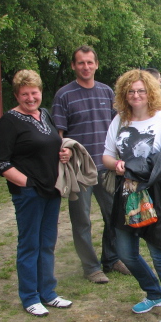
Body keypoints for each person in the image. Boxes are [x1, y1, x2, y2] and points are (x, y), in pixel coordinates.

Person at [102, 69, 161, 322]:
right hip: (127, 193)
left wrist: (144, 166)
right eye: (131, 91)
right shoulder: (120, 120)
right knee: (126, 252)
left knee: (160, 256)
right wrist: (117, 164)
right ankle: (153, 292)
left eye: (141, 90)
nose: (136, 95)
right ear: (124, 95)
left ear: (150, 92)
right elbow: (106, 156)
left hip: (156, 194)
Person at [0, 70, 73, 317]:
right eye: (25, 94)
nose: (30, 98)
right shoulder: (9, 121)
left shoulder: (45, 115)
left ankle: (48, 293)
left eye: (34, 92)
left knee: (47, 243)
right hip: (28, 194)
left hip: (51, 190)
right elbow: (1, 163)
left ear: (40, 92)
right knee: (30, 245)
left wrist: (64, 154)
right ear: (17, 95)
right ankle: (29, 297)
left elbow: (51, 144)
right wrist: (27, 183)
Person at [52, 46, 129, 284]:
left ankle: (112, 258)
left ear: (96, 65)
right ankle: (91, 267)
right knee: (82, 220)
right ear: (74, 66)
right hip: (79, 170)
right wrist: (61, 150)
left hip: (107, 167)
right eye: (80, 63)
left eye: (89, 62)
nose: (86, 67)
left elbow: (119, 128)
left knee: (114, 216)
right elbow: (59, 133)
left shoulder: (107, 93)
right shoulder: (64, 95)